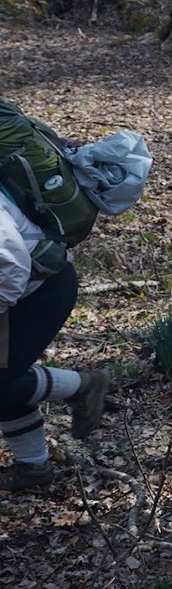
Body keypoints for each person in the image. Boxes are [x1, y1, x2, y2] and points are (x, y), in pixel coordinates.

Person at [0, 192, 110, 491]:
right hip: (17, 291)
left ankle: (85, 386)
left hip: (41, 289)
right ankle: (34, 469)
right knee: (4, 380)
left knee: (2, 379)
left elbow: (11, 266)